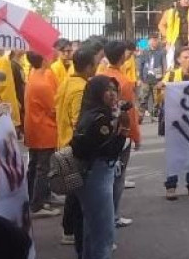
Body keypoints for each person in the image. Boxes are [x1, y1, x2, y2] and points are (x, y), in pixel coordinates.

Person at [72, 76, 129, 259]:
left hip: (88, 177)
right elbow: (111, 149)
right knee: (104, 233)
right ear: (97, 93)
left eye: (115, 90)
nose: (113, 94)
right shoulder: (100, 119)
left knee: (90, 227)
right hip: (98, 177)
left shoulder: (90, 113)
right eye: (107, 90)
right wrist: (124, 128)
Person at [56, 46, 97, 246]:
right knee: (77, 193)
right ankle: (71, 231)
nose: (96, 68)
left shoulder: (67, 82)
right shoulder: (81, 88)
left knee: (73, 191)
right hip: (74, 147)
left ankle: (69, 230)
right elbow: (78, 121)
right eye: (95, 65)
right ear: (89, 66)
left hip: (63, 143)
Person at [99, 41, 140, 229]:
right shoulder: (123, 81)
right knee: (118, 177)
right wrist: (135, 135)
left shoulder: (100, 75)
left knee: (106, 177)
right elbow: (129, 113)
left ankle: (107, 215)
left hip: (102, 132)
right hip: (119, 134)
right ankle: (113, 216)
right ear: (123, 56)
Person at [160, 47, 189, 200]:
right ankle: (171, 186)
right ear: (179, 59)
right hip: (175, 123)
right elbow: (162, 95)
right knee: (174, 154)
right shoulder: (171, 75)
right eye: (185, 57)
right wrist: (160, 88)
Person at [24, 52, 61, 219]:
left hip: (33, 127)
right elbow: (53, 109)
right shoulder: (42, 84)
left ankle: (36, 197)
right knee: (43, 168)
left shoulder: (32, 76)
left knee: (35, 166)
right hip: (44, 129)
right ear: (44, 58)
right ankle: (38, 204)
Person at [158, 0, 189, 69]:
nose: (187, 0)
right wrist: (167, 37)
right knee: (177, 57)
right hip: (176, 39)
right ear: (178, 0)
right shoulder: (170, 12)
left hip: (188, 39)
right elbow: (161, 25)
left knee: (188, 58)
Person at [0, 50, 22, 131]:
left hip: (3, 105)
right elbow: (3, 87)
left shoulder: (3, 61)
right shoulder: (3, 61)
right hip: (5, 107)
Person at [138, 34, 166, 120]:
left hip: (157, 79)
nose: (155, 42)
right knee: (143, 98)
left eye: (156, 40)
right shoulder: (144, 52)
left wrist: (163, 78)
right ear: (149, 41)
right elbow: (140, 65)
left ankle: (155, 115)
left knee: (157, 99)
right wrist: (140, 78)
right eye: (153, 40)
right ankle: (140, 116)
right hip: (146, 78)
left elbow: (164, 65)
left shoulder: (161, 52)